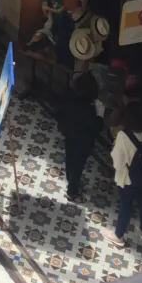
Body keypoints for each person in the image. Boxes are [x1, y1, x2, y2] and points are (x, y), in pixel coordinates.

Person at [101, 101, 142, 248]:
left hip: (128, 180)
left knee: (126, 206)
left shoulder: (123, 136)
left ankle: (118, 235)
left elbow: (118, 163)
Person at [57, 73, 103, 202]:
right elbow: (96, 127)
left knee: (70, 157)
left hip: (69, 133)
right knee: (78, 165)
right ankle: (72, 191)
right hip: (82, 141)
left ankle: (70, 178)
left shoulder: (69, 96)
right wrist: (100, 115)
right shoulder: (87, 110)